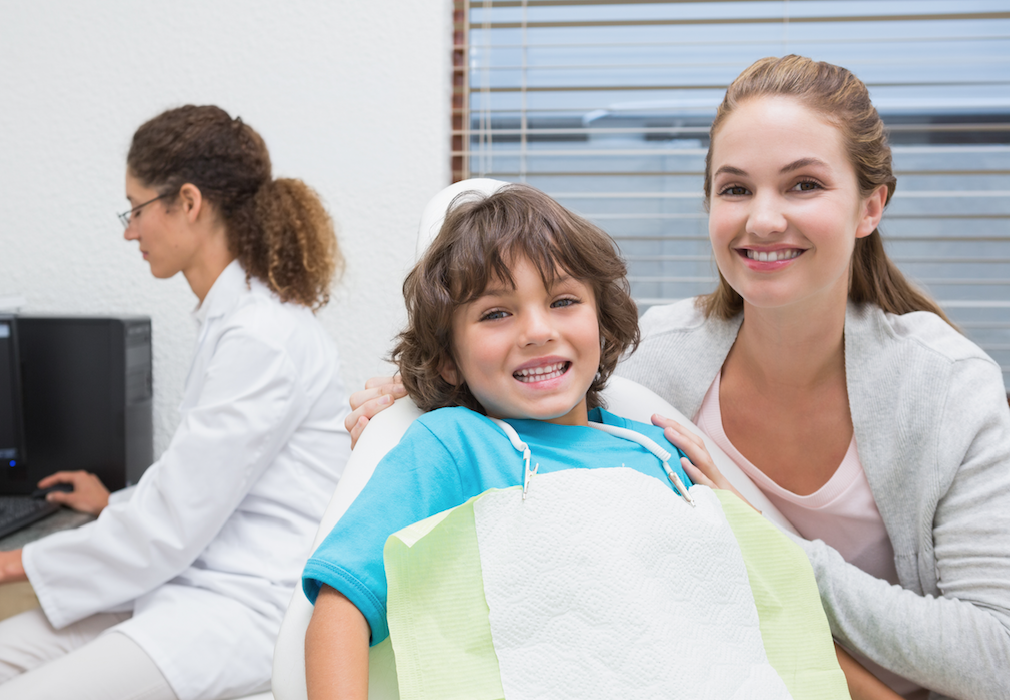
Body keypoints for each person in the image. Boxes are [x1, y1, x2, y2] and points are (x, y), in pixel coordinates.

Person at [345, 56, 1010, 700]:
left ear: (871, 207)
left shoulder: (945, 387)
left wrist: (773, 546)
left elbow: (998, 655)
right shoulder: (650, 366)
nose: (764, 218)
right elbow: (532, 375)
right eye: (736, 188)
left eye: (803, 184)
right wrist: (422, 391)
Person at [304, 184, 865, 699]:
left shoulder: (660, 451)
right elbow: (342, 604)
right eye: (496, 313)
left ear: (602, 322)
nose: (538, 330)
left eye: (563, 301)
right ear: (449, 359)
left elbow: (753, 611)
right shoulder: (453, 445)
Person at [0, 105, 352, 700]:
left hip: (240, 604)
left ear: (187, 202)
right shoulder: (233, 318)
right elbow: (195, 481)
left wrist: (4, 563)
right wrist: (113, 502)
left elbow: (174, 522)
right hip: (188, 579)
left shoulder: (262, 336)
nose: (129, 231)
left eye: (136, 209)